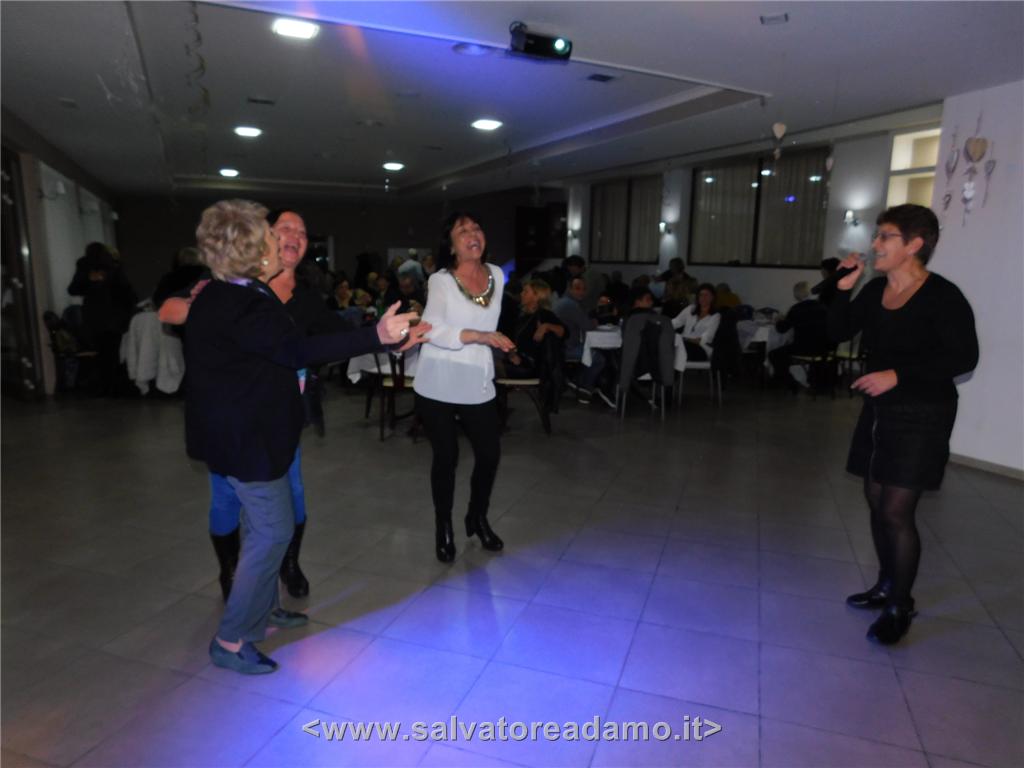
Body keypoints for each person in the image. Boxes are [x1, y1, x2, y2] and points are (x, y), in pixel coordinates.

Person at [186, 199, 426, 674]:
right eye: (272, 236)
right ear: (254, 251)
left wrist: (384, 338)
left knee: (261, 528)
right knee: (274, 530)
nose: (281, 242)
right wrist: (376, 335)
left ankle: (264, 608)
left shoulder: (230, 293)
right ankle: (230, 640)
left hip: (242, 436)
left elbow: (299, 343)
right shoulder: (241, 303)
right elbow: (297, 349)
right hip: (247, 441)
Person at [829, 204, 978, 645]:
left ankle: (900, 604)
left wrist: (898, 375)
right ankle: (885, 584)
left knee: (896, 510)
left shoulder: (942, 296)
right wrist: (842, 289)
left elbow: (964, 357)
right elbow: (836, 332)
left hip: (924, 413)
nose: (875, 244)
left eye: (885, 236)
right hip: (880, 411)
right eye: (877, 236)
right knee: (876, 500)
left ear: (914, 244)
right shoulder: (876, 290)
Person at [413, 212, 516, 564]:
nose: (473, 234)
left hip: (477, 378)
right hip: (438, 380)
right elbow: (431, 330)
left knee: (489, 454)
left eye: (477, 228)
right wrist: (478, 335)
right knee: (447, 457)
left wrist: (495, 340)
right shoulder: (441, 280)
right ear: (452, 245)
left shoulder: (497, 274)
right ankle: (443, 526)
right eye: (463, 231)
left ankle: (477, 516)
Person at [67, 242, 137, 395]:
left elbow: (73, 289)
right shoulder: (114, 268)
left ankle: (105, 386)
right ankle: (113, 386)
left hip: (94, 317)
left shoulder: (85, 267)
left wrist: (88, 280)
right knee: (112, 353)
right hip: (113, 317)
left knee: (101, 353)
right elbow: (128, 293)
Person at [770, 281, 831, 390]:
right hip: (824, 348)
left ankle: (790, 382)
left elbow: (782, 329)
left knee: (774, 354)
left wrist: (778, 320)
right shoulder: (823, 306)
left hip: (803, 347)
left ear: (796, 295)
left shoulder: (796, 309)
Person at [671, 282, 721, 361]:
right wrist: (663, 325)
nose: (703, 298)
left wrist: (687, 339)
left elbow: (708, 337)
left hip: (701, 348)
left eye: (706, 295)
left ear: (712, 297)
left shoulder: (716, 316)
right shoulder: (691, 309)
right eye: (701, 295)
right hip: (683, 344)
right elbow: (677, 322)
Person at [554, 276, 593, 362]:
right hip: (566, 349)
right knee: (599, 358)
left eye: (584, 289)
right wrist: (594, 322)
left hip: (560, 347)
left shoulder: (564, 300)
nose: (581, 292)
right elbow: (588, 326)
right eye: (577, 288)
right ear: (570, 289)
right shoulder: (571, 304)